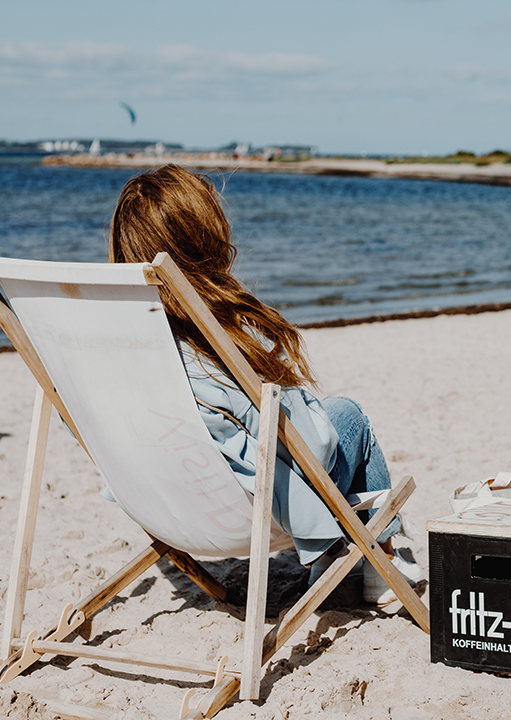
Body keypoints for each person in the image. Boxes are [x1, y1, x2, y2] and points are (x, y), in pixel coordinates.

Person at [109, 164, 421, 611]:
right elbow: (311, 447)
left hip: (163, 500)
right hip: (246, 513)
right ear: (205, 240)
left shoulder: (122, 347)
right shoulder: (218, 340)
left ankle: (340, 556)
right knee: (347, 415)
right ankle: (381, 557)